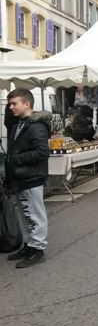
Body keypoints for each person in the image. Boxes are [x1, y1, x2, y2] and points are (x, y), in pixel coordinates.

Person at [5, 89, 51, 268]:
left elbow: (42, 153)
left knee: (34, 214)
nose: (10, 107)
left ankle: (37, 249)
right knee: (24, 213)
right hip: (19, 178)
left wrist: (15, 159)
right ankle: (29, 244)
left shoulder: (37, 126)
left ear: (27, 104)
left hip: (31, 178)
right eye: (9, 104)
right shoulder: (19, 124)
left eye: (14, 103)